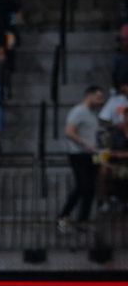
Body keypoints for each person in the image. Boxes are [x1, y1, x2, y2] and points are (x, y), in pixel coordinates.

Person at [58, 86, 106, 232]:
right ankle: (63, 216)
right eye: (98, 98)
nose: (100, 101)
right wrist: (85, 143)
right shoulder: (79, 111)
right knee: (82, 185)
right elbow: (69, 132)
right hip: (79, 154)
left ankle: (82, 220)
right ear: (89, 95)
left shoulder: (92, 114)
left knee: (90, 187)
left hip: (92, 155)